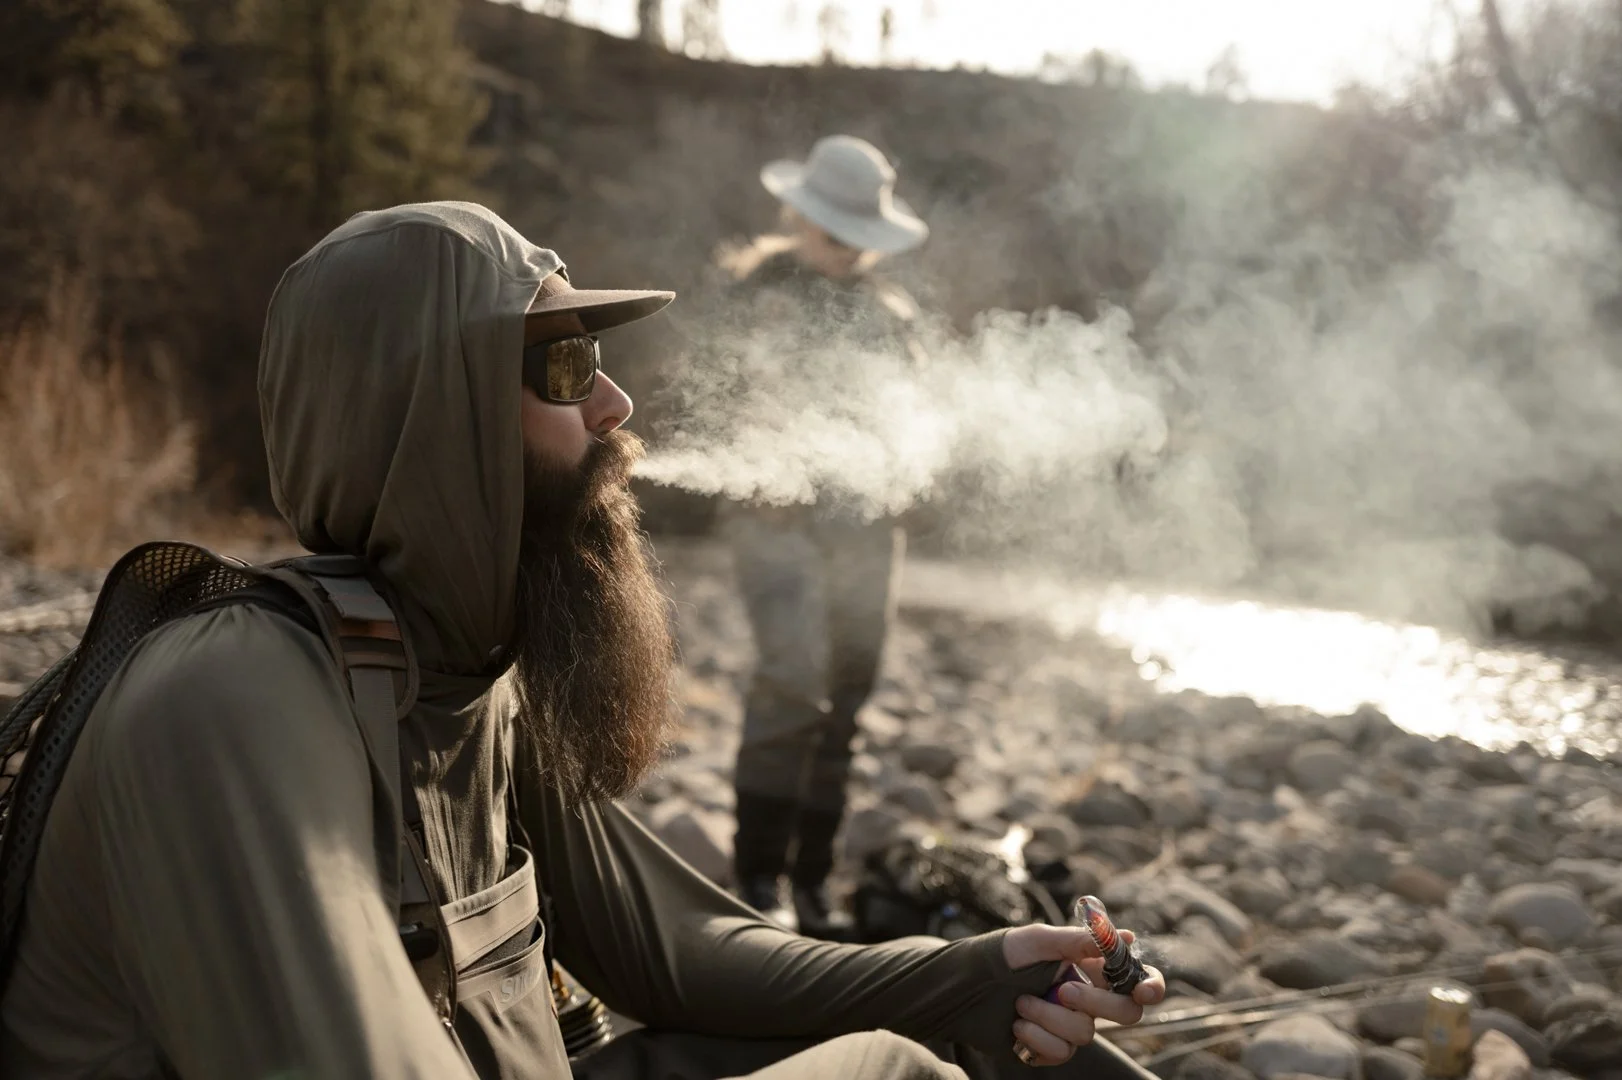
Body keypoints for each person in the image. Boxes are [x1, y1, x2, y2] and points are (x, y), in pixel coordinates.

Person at [0, 201, 1164, 1080]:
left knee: (989, 1040)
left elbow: (681, 954)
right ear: (433, 412)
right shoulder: (232, 701)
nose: (614, 407)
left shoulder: (462, 671)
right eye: (565, 365)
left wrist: (974, 974)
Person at [722, 134, 931, 939]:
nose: (845, 246)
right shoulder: (757, 294)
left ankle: (811, 881)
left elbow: (914, 426)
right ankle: (757, 879)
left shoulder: (892, 316)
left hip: (867, 530)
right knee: (791, 683)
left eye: (855, 233)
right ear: (801, 218)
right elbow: (724, 398)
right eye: (833, 229)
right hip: (775, 522)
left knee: (847, 693)